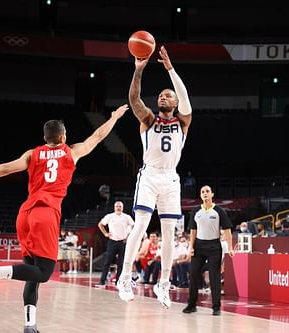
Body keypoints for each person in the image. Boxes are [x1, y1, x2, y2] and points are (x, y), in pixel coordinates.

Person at [0, 104, 128, 333]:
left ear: (45, 137)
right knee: (43, 273)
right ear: (63, 137)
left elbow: (4, 169)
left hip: (25, 214)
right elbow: (98, 136)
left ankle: (30, 326)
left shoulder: (33, 153)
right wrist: (114, 117)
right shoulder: (71, 151)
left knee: (32, 273)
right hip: (46, 212)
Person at [117, 45, 192, 309]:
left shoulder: (183, 122)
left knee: (170, 232)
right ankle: (125, 277)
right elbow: (134, 100)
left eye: (167, 96)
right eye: (161, 95)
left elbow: (185, 99)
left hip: (171, 179)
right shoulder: (149, 120)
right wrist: (138, 71)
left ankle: (164, 283)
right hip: (149, 175)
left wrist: (170, 69)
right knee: (141, 225)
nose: (163, 97)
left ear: (175, 103)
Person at [182, 185, 234, 316]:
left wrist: (231, 247)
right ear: (201, 195)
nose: (205, 193)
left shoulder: (219, 211)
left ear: (212, 194)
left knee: (214, 276)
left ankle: (216, 307)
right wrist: (191, 247)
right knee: (193, 274)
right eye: (202, 192)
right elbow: (193, 231)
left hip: (214, 247)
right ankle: (192, 305)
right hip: (199, 246)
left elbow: (227, 230)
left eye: (207, 191)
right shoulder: (195, 211)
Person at [96, 201, 134, 287]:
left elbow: (133, 225)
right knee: (107, 262)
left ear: (122, 207)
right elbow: (100, 224)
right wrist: (105, 233)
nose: (118, 208)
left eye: (120, 206)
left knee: (121, 263)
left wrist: (128, 236)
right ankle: (102, 281)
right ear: (114, 207)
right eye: (117, 206)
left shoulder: (127, 217)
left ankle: (118, 281)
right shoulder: (110, 216)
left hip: (122, 242)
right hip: (112, 241)